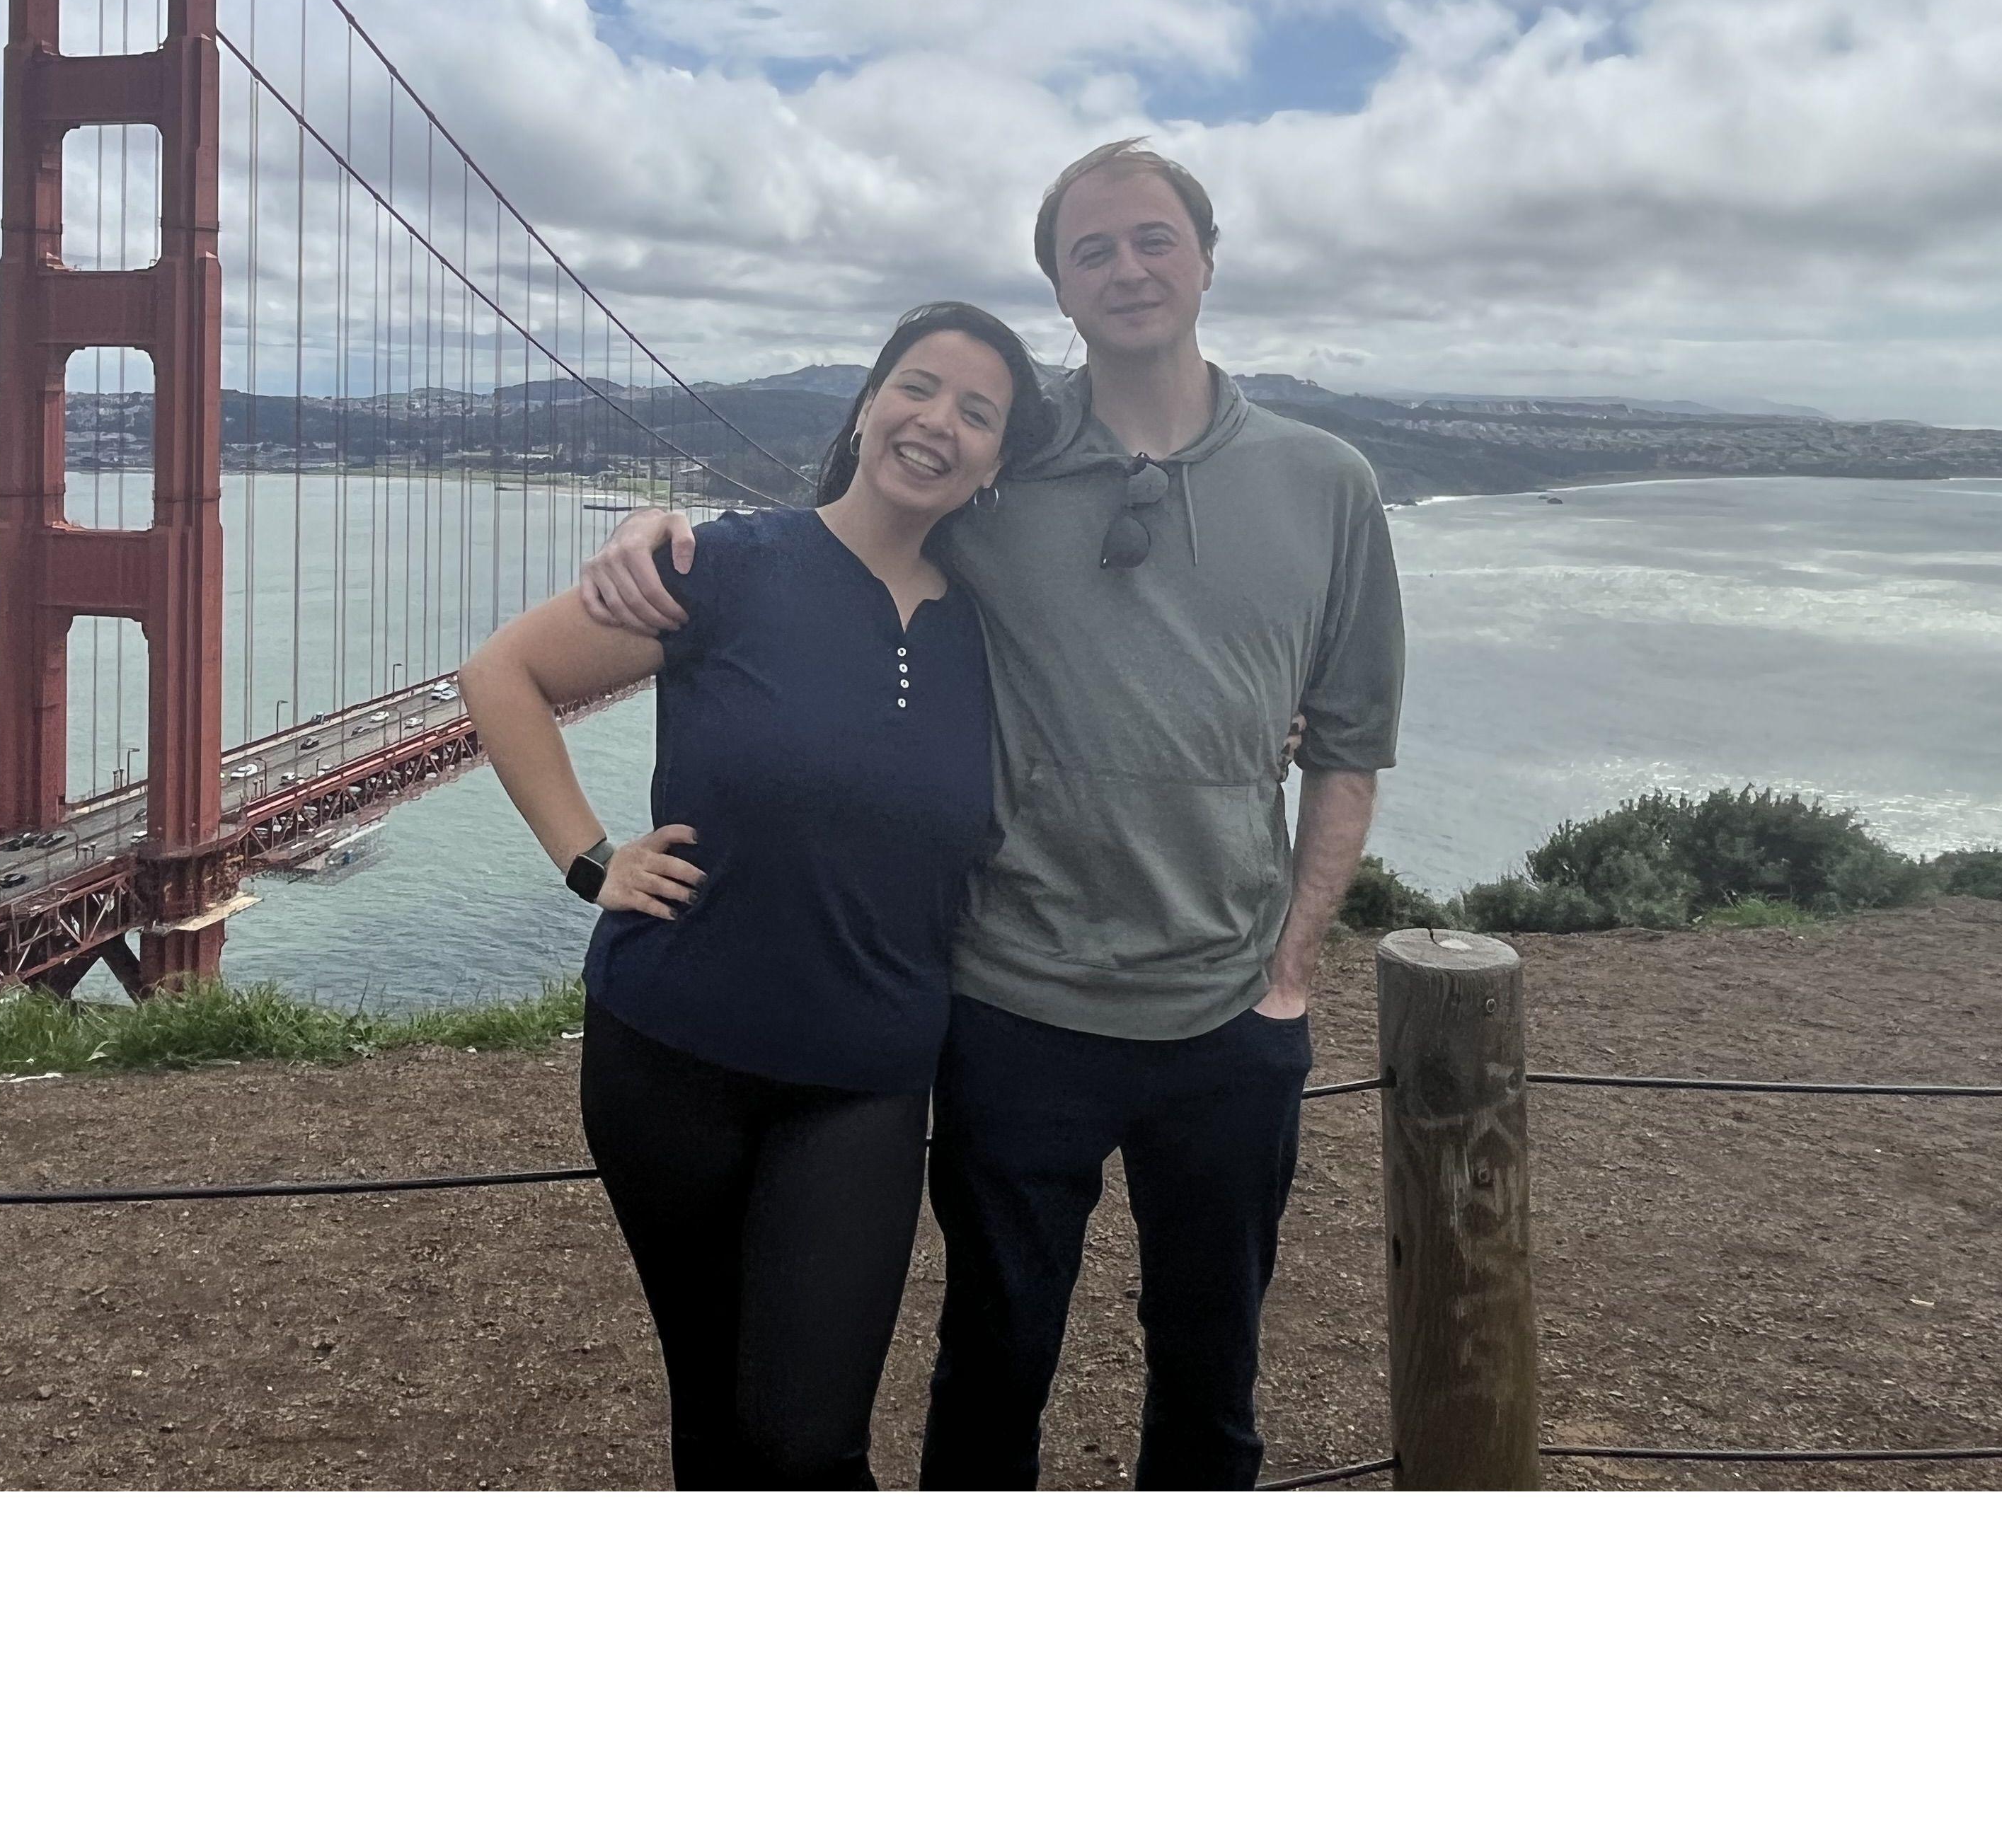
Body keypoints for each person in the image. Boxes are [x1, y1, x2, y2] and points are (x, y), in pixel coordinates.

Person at [579, 139, 1405, 1489]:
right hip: (1016, 1008)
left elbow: (1353, 745)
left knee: (1214, 1367)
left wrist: (1293, 972)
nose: (1128, 268)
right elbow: (844, 547)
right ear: (1061, 291)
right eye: (1094, 250)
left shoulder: (1331, 485)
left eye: (1153, 240)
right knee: (993, 1364)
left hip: (1228, 1017)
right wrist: (663, 533)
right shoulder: (1001, 473)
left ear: (1206, 257)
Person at [461, 300, 1048, 1489]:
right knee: (718, 1419)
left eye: (978, 413)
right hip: (669, 1052)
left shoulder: (998, 635)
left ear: (997, 460)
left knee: (806, 1440)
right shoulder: (724, 565)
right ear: (869, 403)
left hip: (866, 1078)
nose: (939, 423)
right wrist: (591, 861)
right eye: (918, 387)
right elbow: (504, 673)